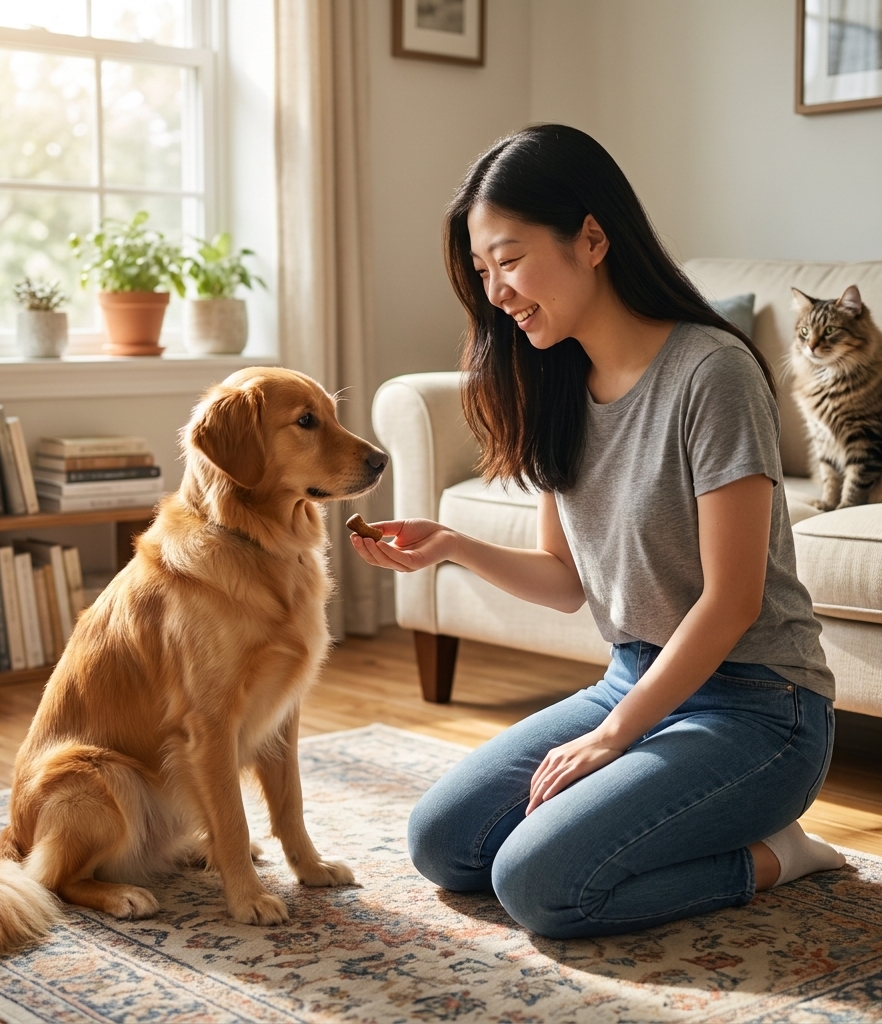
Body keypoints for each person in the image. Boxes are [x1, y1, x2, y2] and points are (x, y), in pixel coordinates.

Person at [349, 124, 846, 940]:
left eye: (508, 260)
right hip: (633, 676)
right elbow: (562, 578)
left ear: (591, 237)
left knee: (538, 885)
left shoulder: (710, 372)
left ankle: (776, 853)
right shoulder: (554, 381)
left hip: (761, 708)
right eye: (482, 271)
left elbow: (731, 600)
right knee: (442, 843)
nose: (496, 292)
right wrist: (452, 545)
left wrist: (612, 740)